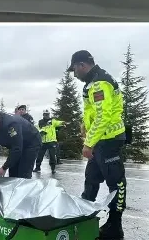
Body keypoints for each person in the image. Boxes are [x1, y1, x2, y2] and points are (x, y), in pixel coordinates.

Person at [68, 50, 126, 240]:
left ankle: (114, 226)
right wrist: (84, 125)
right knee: (91, 178)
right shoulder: (92, 82)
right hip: (100, 139)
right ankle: (85, 218)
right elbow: (93, 111)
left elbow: (103, 116)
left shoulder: (100, 83)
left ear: (82, 65)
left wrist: (88, 144)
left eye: (74, 70)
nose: (74, 74)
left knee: (116, 184)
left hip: (108, 140)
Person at [0, 107, 41, 178]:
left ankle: (25, 187)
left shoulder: (11, 125)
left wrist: (4, 167)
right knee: (13, 173)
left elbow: (17, 148)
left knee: (23, 173)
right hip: (16, 144)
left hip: (31, 143)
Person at [34, 110, 64, 174]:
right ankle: (37, 167)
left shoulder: (52, 121)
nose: (46, 115)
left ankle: (53, 169)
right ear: (43, 115)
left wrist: (63, 123)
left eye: (47, 114)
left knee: (52, 156)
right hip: (43, 142)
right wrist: (41, 132)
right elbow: (37, 129)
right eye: (45, 114)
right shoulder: (40, 122)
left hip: (51, 141)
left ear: (49, 114)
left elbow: (58, 123)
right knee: (39, 155)